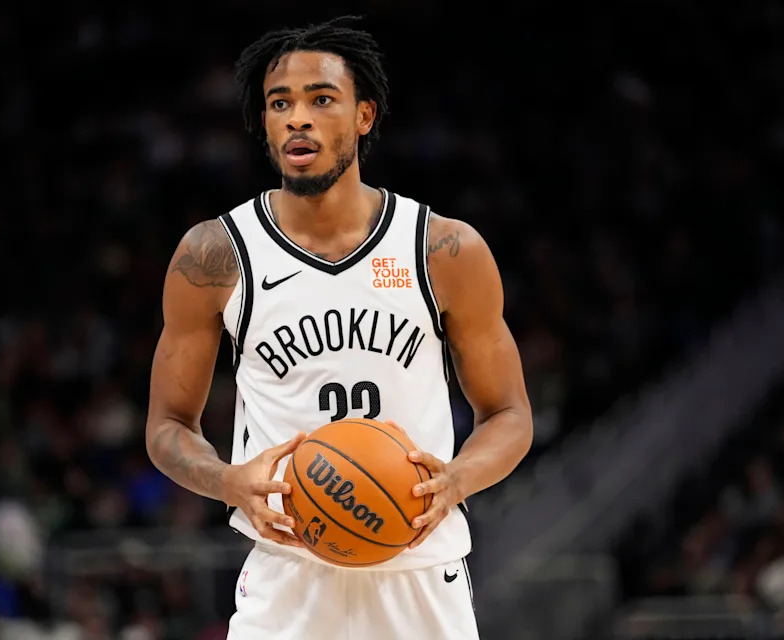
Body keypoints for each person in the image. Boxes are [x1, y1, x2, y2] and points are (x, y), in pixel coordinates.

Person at [145, 15, 533, 640]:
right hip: (288, 572)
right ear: (264, 126)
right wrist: (228, 482)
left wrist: (455, 479)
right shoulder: (213, 255)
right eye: (280, 103)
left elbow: (510, 414)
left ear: (364, 116)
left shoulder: (444, 249)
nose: (298, 117)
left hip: (418, 571)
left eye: (321, 99)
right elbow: (166, 427)